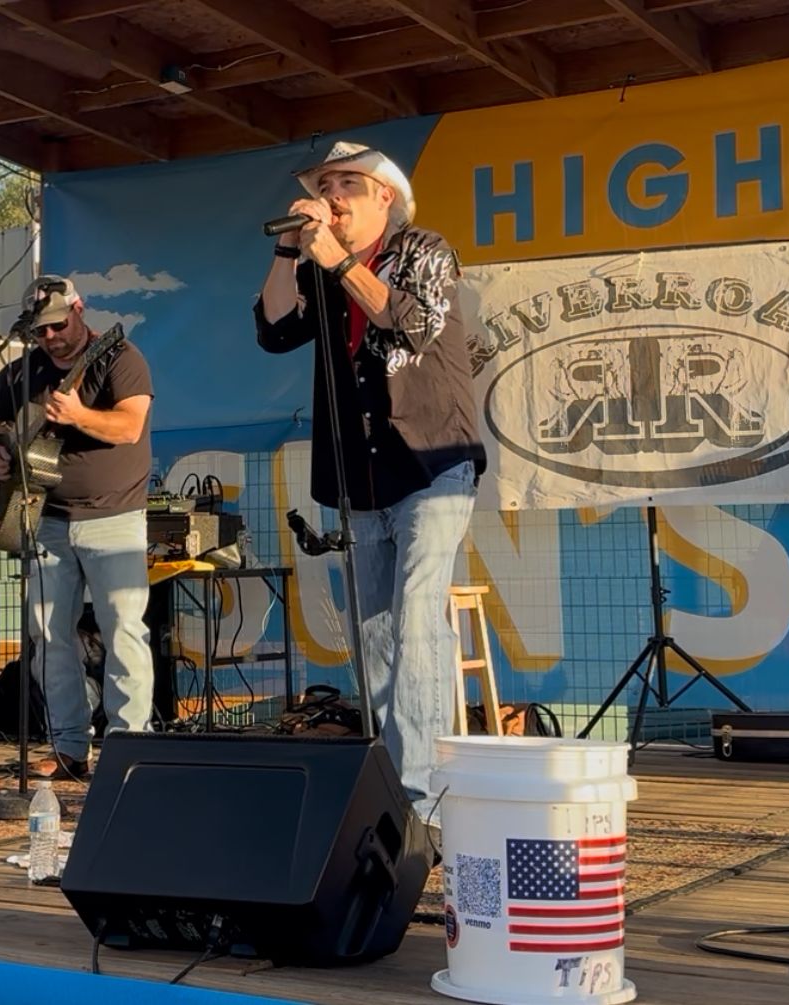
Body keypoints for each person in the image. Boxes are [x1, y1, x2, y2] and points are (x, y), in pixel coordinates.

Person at [254, 141, 486, 824]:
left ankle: (423, 801)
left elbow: (412, 322)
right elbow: (273, 329)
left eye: (346, 184)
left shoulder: (423, 249)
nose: (332, 196)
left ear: (385, 195)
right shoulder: (321, 266)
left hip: (431, 458)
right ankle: (394, 779)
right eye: (323, 186)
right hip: (359, 470)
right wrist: (289, 250)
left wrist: (338, 261)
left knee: (416, 616)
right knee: (373, 633)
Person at [0, 275, 155, 780]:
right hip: (46, 518)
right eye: (41, 331)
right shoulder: (24, 371)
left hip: (115, 518)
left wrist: (79, 415)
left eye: (58, 325)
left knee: (123, 631)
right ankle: (69, 746)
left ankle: (128, 745)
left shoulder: (120, 357)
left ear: (79, 310)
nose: (51, 338)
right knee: (48, 636)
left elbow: (129, 426)